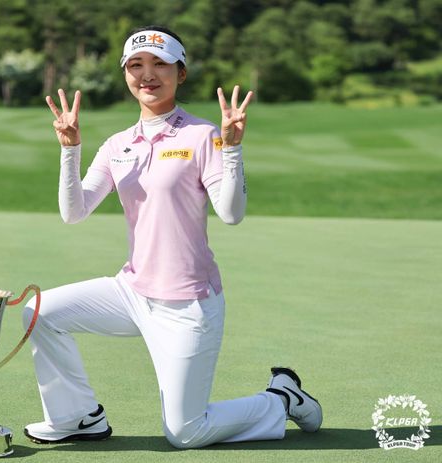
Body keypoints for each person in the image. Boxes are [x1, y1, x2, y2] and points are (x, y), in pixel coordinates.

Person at [22, 25, 322, 449]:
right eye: (136, 65)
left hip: (188, 304)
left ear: (181, 73)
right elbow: (74, 212)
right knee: (39, 312)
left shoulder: (202, 135)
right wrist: (70, 149)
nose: (147, 74)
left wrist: (232, 149)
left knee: (185, 431)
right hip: (131, 292)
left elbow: (231, 213)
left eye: (159, 64)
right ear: (126, 74)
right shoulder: (118, 145)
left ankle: (280, 399)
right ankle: (77, 417)